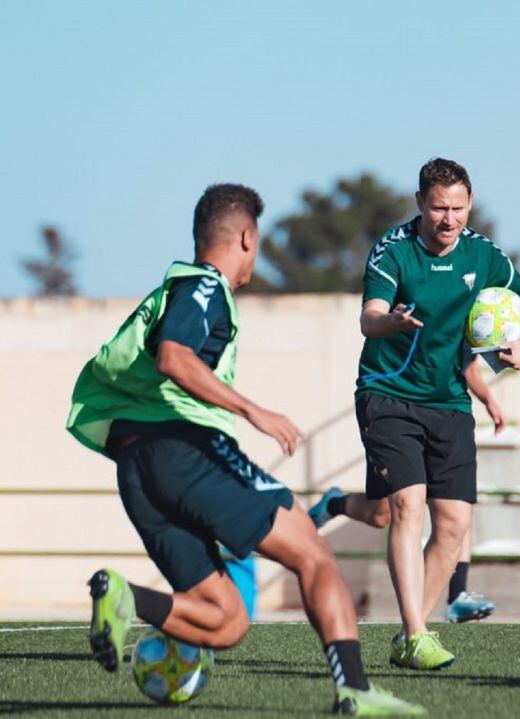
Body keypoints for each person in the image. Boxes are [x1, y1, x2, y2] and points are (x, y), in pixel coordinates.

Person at [66, 183, 424, 716]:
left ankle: (127, 598)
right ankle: (354, 690)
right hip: (183, 448)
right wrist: (253, 410)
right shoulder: (205, 287)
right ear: (247, 237)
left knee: (227, 621)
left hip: (136, 468)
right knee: (313, 553)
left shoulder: (171, 288)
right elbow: (173, 356)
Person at [347, 158, 520, 671]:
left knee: (454, 524)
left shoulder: (484, 254)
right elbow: (368, 318)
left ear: (469, 205)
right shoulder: (394, 251)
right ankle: (416, 634)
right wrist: (390, 320)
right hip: (388, 395)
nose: (448, 218)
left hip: (448, 401)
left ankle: (414, 633)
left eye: (458, 208)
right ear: (420, 204)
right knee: (409, 507)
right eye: (438, 207)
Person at [309, 358, 500, 624]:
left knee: (455, 507)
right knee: (382, 515)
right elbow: (373, 323)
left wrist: (489, 397)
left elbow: (466, 363)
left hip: (445, 412)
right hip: (397, 408)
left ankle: (455, 596)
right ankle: (335, 504)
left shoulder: (467, 318)